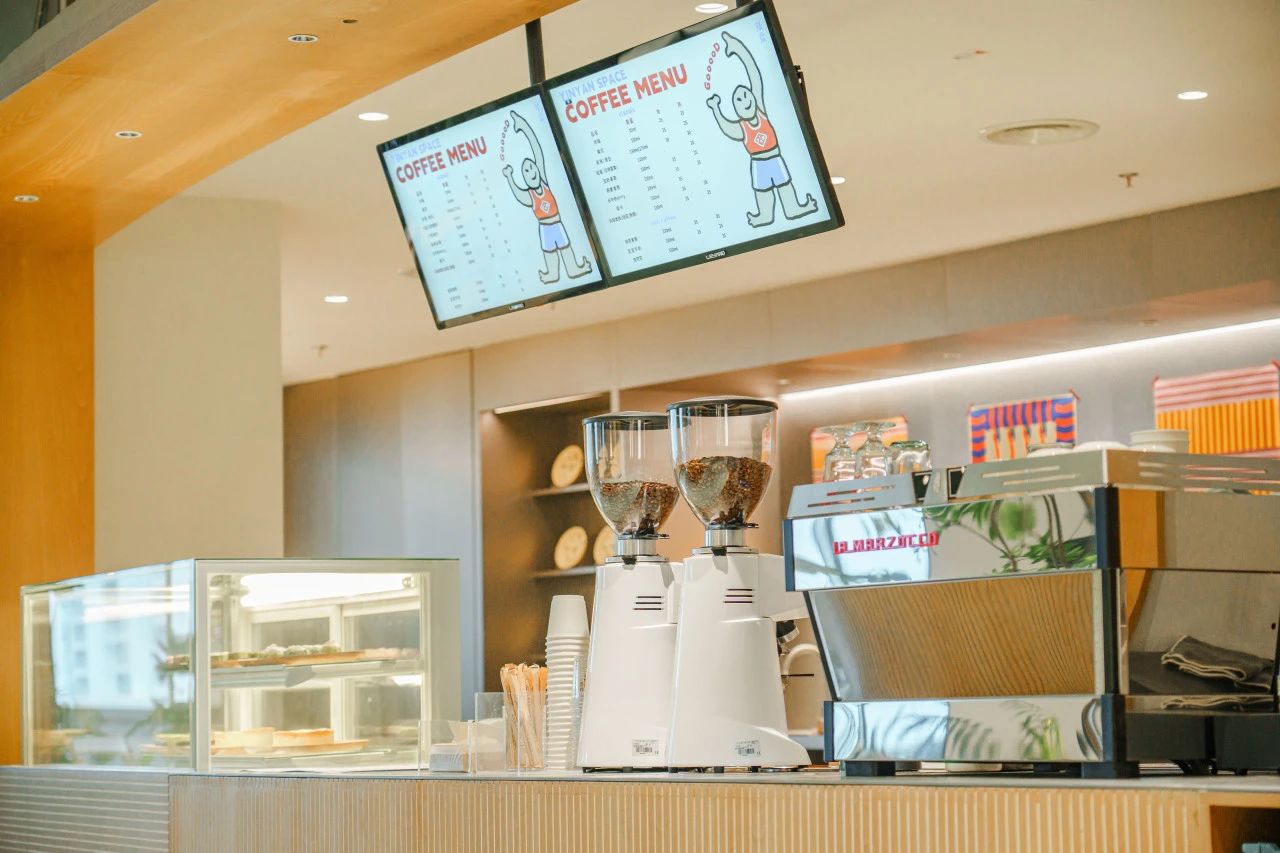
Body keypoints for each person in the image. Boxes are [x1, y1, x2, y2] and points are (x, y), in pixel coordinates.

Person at [706, 31, 818, 227]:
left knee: (785, 187)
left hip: (775, 157)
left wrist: (738, 48)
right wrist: (716, 109)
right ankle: (764, 216)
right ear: (736, 109)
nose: (745, 99)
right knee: (762, 193)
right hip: (759, 164)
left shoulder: (760, 110)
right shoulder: (742, 127)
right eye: (739, 99)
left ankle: (794, 209)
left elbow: (754, 74)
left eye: (746, 94)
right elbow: (726, 127)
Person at [502, 110, 593, 284]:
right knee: (549, 254)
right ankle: (552, 275)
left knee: (566, 249)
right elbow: (518, 194)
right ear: (524, 178)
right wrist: (509, 177)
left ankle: (574, 269)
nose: (531, 170)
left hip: (557, 223)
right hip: (545, 228)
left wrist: (524, 126)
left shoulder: (543, 181)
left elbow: (537, 149)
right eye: (526, 170)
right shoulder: (529, 196)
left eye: (532, 166)